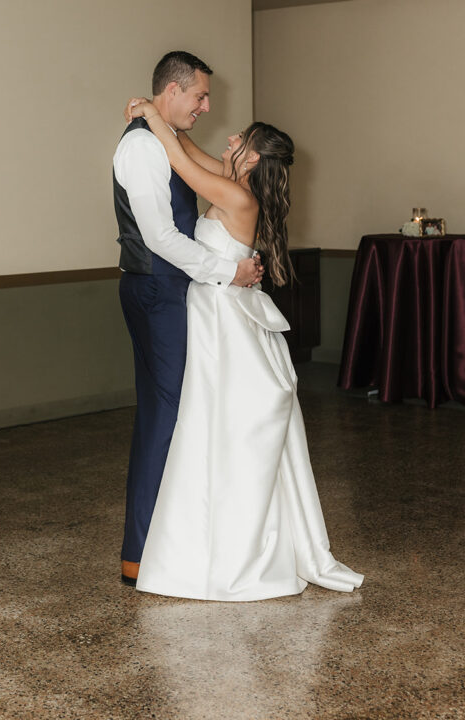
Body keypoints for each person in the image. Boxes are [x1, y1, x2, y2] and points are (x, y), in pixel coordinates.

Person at [125, 97, 364, 601]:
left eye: (241, 139)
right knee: (209, 420)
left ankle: (227, 546)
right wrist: (164, 118)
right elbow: (186, 148)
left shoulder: (238, 198)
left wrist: (152, 114)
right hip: (215, 311)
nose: (230, 138)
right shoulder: (236, 183)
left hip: (224, 321)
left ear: (252, 159)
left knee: (220, 425)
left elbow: (183, 164)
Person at [113, 52, 263, 587]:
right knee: (163, 417)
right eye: (199, 96)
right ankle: (140, 553)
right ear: (171, 91)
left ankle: (163, 541)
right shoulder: (139, 147)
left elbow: (208, 172)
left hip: (169, 289)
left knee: (172, 415)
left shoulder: (162, 140)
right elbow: (159, 237)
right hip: (155, 289)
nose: (205, 106)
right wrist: (229, 271)